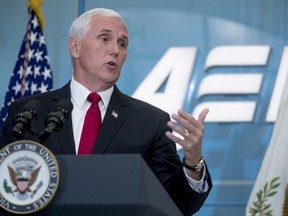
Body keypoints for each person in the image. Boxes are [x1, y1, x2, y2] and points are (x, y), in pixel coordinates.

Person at [0, 8, 212, 216]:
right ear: (75, 47)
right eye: (104, 39)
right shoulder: (29, 112)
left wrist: (193, 162)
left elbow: (177, 205)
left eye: (122, 43)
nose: (115, 50)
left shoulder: (151, 121)